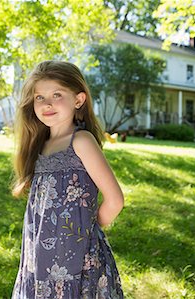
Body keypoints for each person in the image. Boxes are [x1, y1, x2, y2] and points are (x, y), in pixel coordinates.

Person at [11, 60, 124, 299]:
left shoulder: (81, 141)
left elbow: (115, 200)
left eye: (56, 94)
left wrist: (88, 234)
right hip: (39, 255)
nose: (46, 103)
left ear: (78, 100)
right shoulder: (40, 145)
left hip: (76, 256)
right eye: (39, 97)